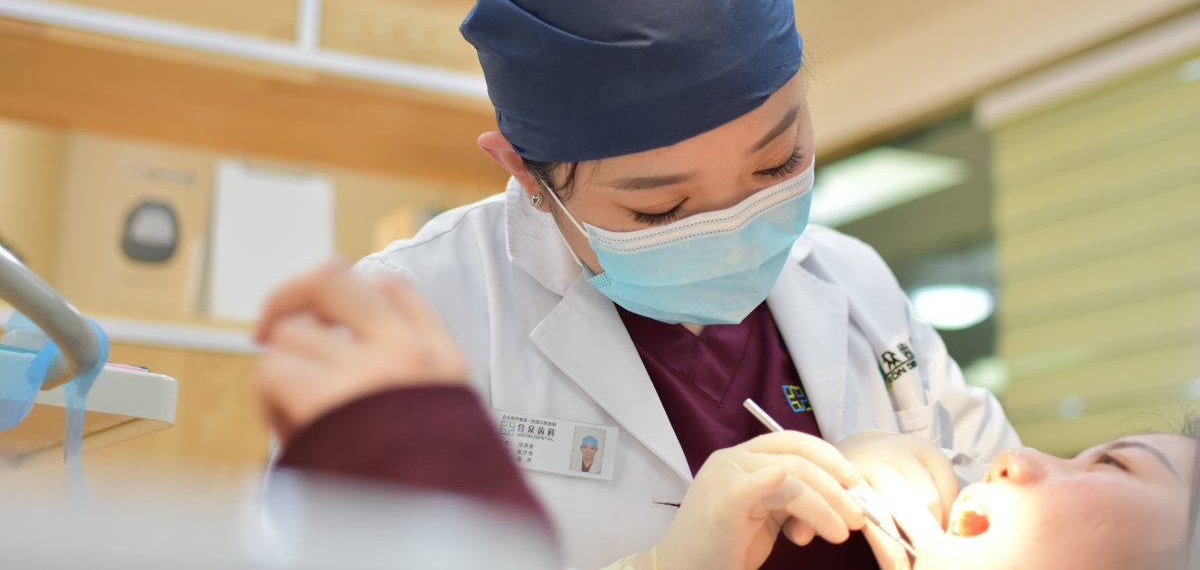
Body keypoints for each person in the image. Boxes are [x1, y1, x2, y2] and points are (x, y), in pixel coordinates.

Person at [280, 0, 1021, 567]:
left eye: (777, 163)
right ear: (529, 177)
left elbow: (1044, 519)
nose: (735, 229)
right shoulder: (417, 319)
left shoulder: (858, 285)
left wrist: (945, 491)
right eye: (661, 209)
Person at [256, 265, 1199, 570]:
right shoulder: (453, 280)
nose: (1018, 460)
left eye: (1115, 467)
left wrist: (422, 451)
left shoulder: (847, 278)